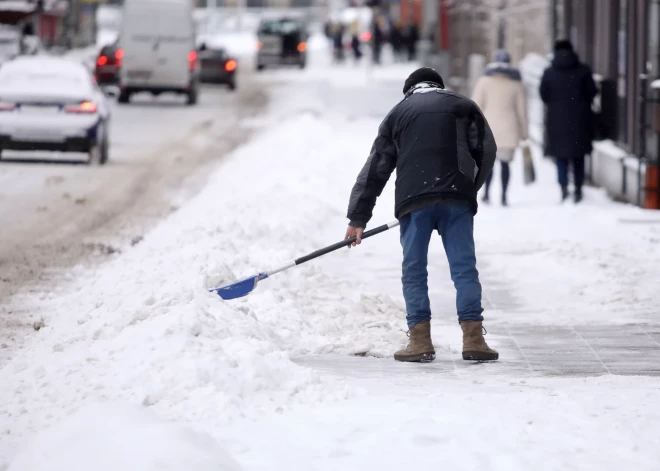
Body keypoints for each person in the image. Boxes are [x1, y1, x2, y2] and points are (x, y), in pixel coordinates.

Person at [344, 68, 499, 363]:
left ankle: (420, 340)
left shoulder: (398, 113)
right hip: (457, 199)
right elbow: (486, 151)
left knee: (414, 270)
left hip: (414, 201)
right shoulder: (463, 105)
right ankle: (474, 339)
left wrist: (358, 218)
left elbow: (376, 168)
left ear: (410, 90)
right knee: (464, 269)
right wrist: (469, 188)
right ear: (439, 86)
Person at [540, 39, 597, 203]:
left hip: (557, 120)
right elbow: (592, 92)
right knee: (578, 156)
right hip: (580, 119)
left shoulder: (549, 72)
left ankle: (563, 187)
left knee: (561, 157)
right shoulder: (583, 70)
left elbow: (544, 94)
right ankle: (578, 189)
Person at [472, 49, 528, 206]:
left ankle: (487, 194)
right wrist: (524, 132)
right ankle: (503, 196)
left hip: (488, 129)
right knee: (505, 164)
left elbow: (475, 106)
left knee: (488, 164)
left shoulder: (484, 81)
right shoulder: (517, 84)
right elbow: (522, 112)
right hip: (509, 129)